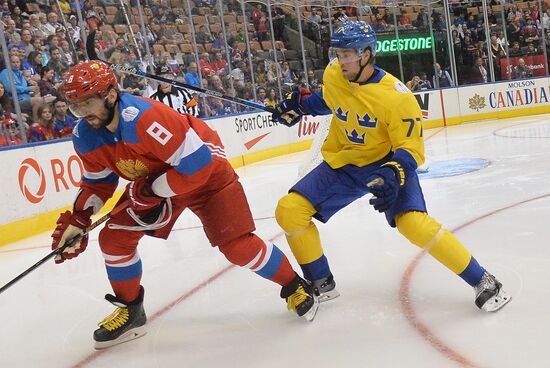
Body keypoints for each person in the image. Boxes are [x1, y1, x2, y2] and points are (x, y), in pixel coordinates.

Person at [51, 60, 318, 349]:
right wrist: (79, 219)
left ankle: (294, 285)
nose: (82, 114)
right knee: (114, 239)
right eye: (75, 107)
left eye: (87, 103)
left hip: (205, 171)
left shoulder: (144, 118)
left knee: (237, 245)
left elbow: (198, 166)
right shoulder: (85, 135)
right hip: (157, 180)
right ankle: (131, 309)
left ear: (110, 95)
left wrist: (152, 190)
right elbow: (97, 182)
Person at [270, 21, 511, 314]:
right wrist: (300, 107)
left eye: (347, 54)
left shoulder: (396, 96)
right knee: (289, 210)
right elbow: (330, 100)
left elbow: (410, 149)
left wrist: (393, 172)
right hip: (345, 163)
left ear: (367, 55)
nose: (340, 60)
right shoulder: (335, 74)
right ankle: (320, 282)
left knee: (413, 224)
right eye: (338, 53)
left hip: (386, 166)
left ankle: (484, 281)